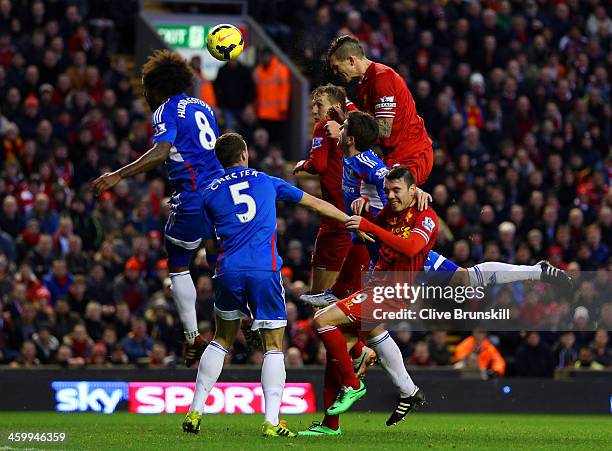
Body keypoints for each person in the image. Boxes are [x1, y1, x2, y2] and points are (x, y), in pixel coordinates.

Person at [182, 132, 351, 438]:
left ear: (220, 160)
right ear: (244, 154)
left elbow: (209, 251)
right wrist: (350, 220)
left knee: (221, 339)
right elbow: (313, 204)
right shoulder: (265, 180)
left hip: (229, 270)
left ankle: (195, 411)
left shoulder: (208, 193)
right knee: (273, 345)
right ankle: (271, 421)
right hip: (264, 270)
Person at [92, 50, 224, 367]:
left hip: (192, 197)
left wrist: (118, 175)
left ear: (154, 86)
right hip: (221, 195)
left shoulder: (165, 109)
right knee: (219, 261)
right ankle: (243, 316)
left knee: (178, 265)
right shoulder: (203, 106)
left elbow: (160, 151)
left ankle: (193, 337)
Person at [308, 164, 436, 432]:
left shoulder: (426, 217)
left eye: (396, 190)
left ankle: (354, 384)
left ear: (414, 190)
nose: (390, 196)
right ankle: (330, 425)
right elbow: (371, 231)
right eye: (387, 190)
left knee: (322, 320)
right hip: (376, 285)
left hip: (392, 291)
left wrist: (368, 225)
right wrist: (364, 209)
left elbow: (411, 247)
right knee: (338, 351)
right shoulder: (392, 211)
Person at [324, 35, 433, 185]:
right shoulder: (364, 85)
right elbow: (368, 127)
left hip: (411, 155)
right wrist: (345, 117)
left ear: (351, 60)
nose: (335, 73)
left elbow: (383, 129)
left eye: (336, 67)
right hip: (394, 155)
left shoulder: (382, 78)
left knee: (394, 199)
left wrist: (344, 129)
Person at [293, 84, 351, 293]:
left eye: (319, 105)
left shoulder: (323, 126)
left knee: (323, 297)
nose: (314, 111)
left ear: (334, 106)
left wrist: (303, 164)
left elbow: (318, 165)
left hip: (336, 218)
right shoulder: (353, 128)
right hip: (347, 216)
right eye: (312, 106)